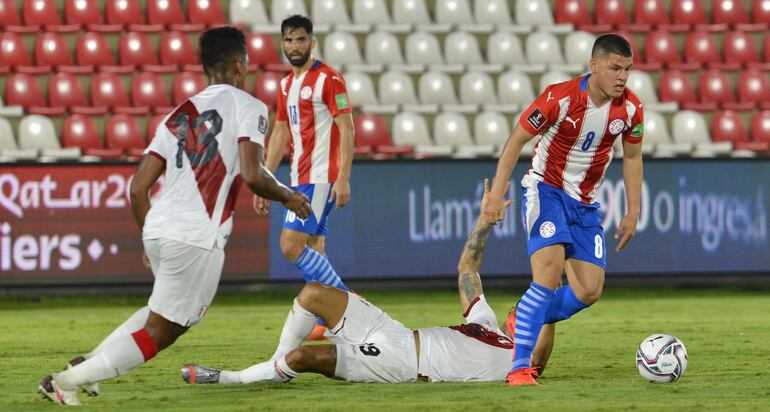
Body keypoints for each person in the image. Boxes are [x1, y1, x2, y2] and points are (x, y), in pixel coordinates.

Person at [38, 26, 312, 406]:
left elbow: (138, 188)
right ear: (238, 65)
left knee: (160, 312)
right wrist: (288, 196)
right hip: (196, 236)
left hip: (159, 228)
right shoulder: (248, 107)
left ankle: (90, 363)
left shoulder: (178, 114)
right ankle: (66, 380)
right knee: (167, 328)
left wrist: (148, 238)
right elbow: (253, 174)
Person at [180, 180, 556, 385]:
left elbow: (539, 355)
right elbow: (467, 272)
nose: (519, 308)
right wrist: (483, 224)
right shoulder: (486, 324)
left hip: (401, 365)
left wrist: (551, 299)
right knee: (312, 293)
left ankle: (233, 379)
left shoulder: (517, 361)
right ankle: (273, 364)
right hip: (395, 332)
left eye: (529, 310)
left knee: (302, 358)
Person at [482, 33, 645, 387]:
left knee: (589, 291)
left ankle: (521, 317)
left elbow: (632, 156)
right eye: (615, 68)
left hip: (585, 204)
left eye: (627, 70)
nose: (622, 77)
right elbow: (516, 140)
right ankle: (519, 369)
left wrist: (633, 211)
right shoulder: (560, 98)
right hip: (547, 190)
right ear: (594, 66)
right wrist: (497, 193)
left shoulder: (631, 109)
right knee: (548, 274)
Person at [252, 16, 355, 339]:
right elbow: (280, 132)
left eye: (299, 40)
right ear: (282, 43)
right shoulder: (285, 85)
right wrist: (264, 178)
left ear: (312, 42)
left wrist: (344, 178)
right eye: (288, 40)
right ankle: (329, 322)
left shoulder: (329, 79)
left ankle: (349, 310)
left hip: (322, 176)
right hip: (299, 178)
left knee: (290, 245)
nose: (294, 46)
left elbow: (346, 127)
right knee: (314, 248)